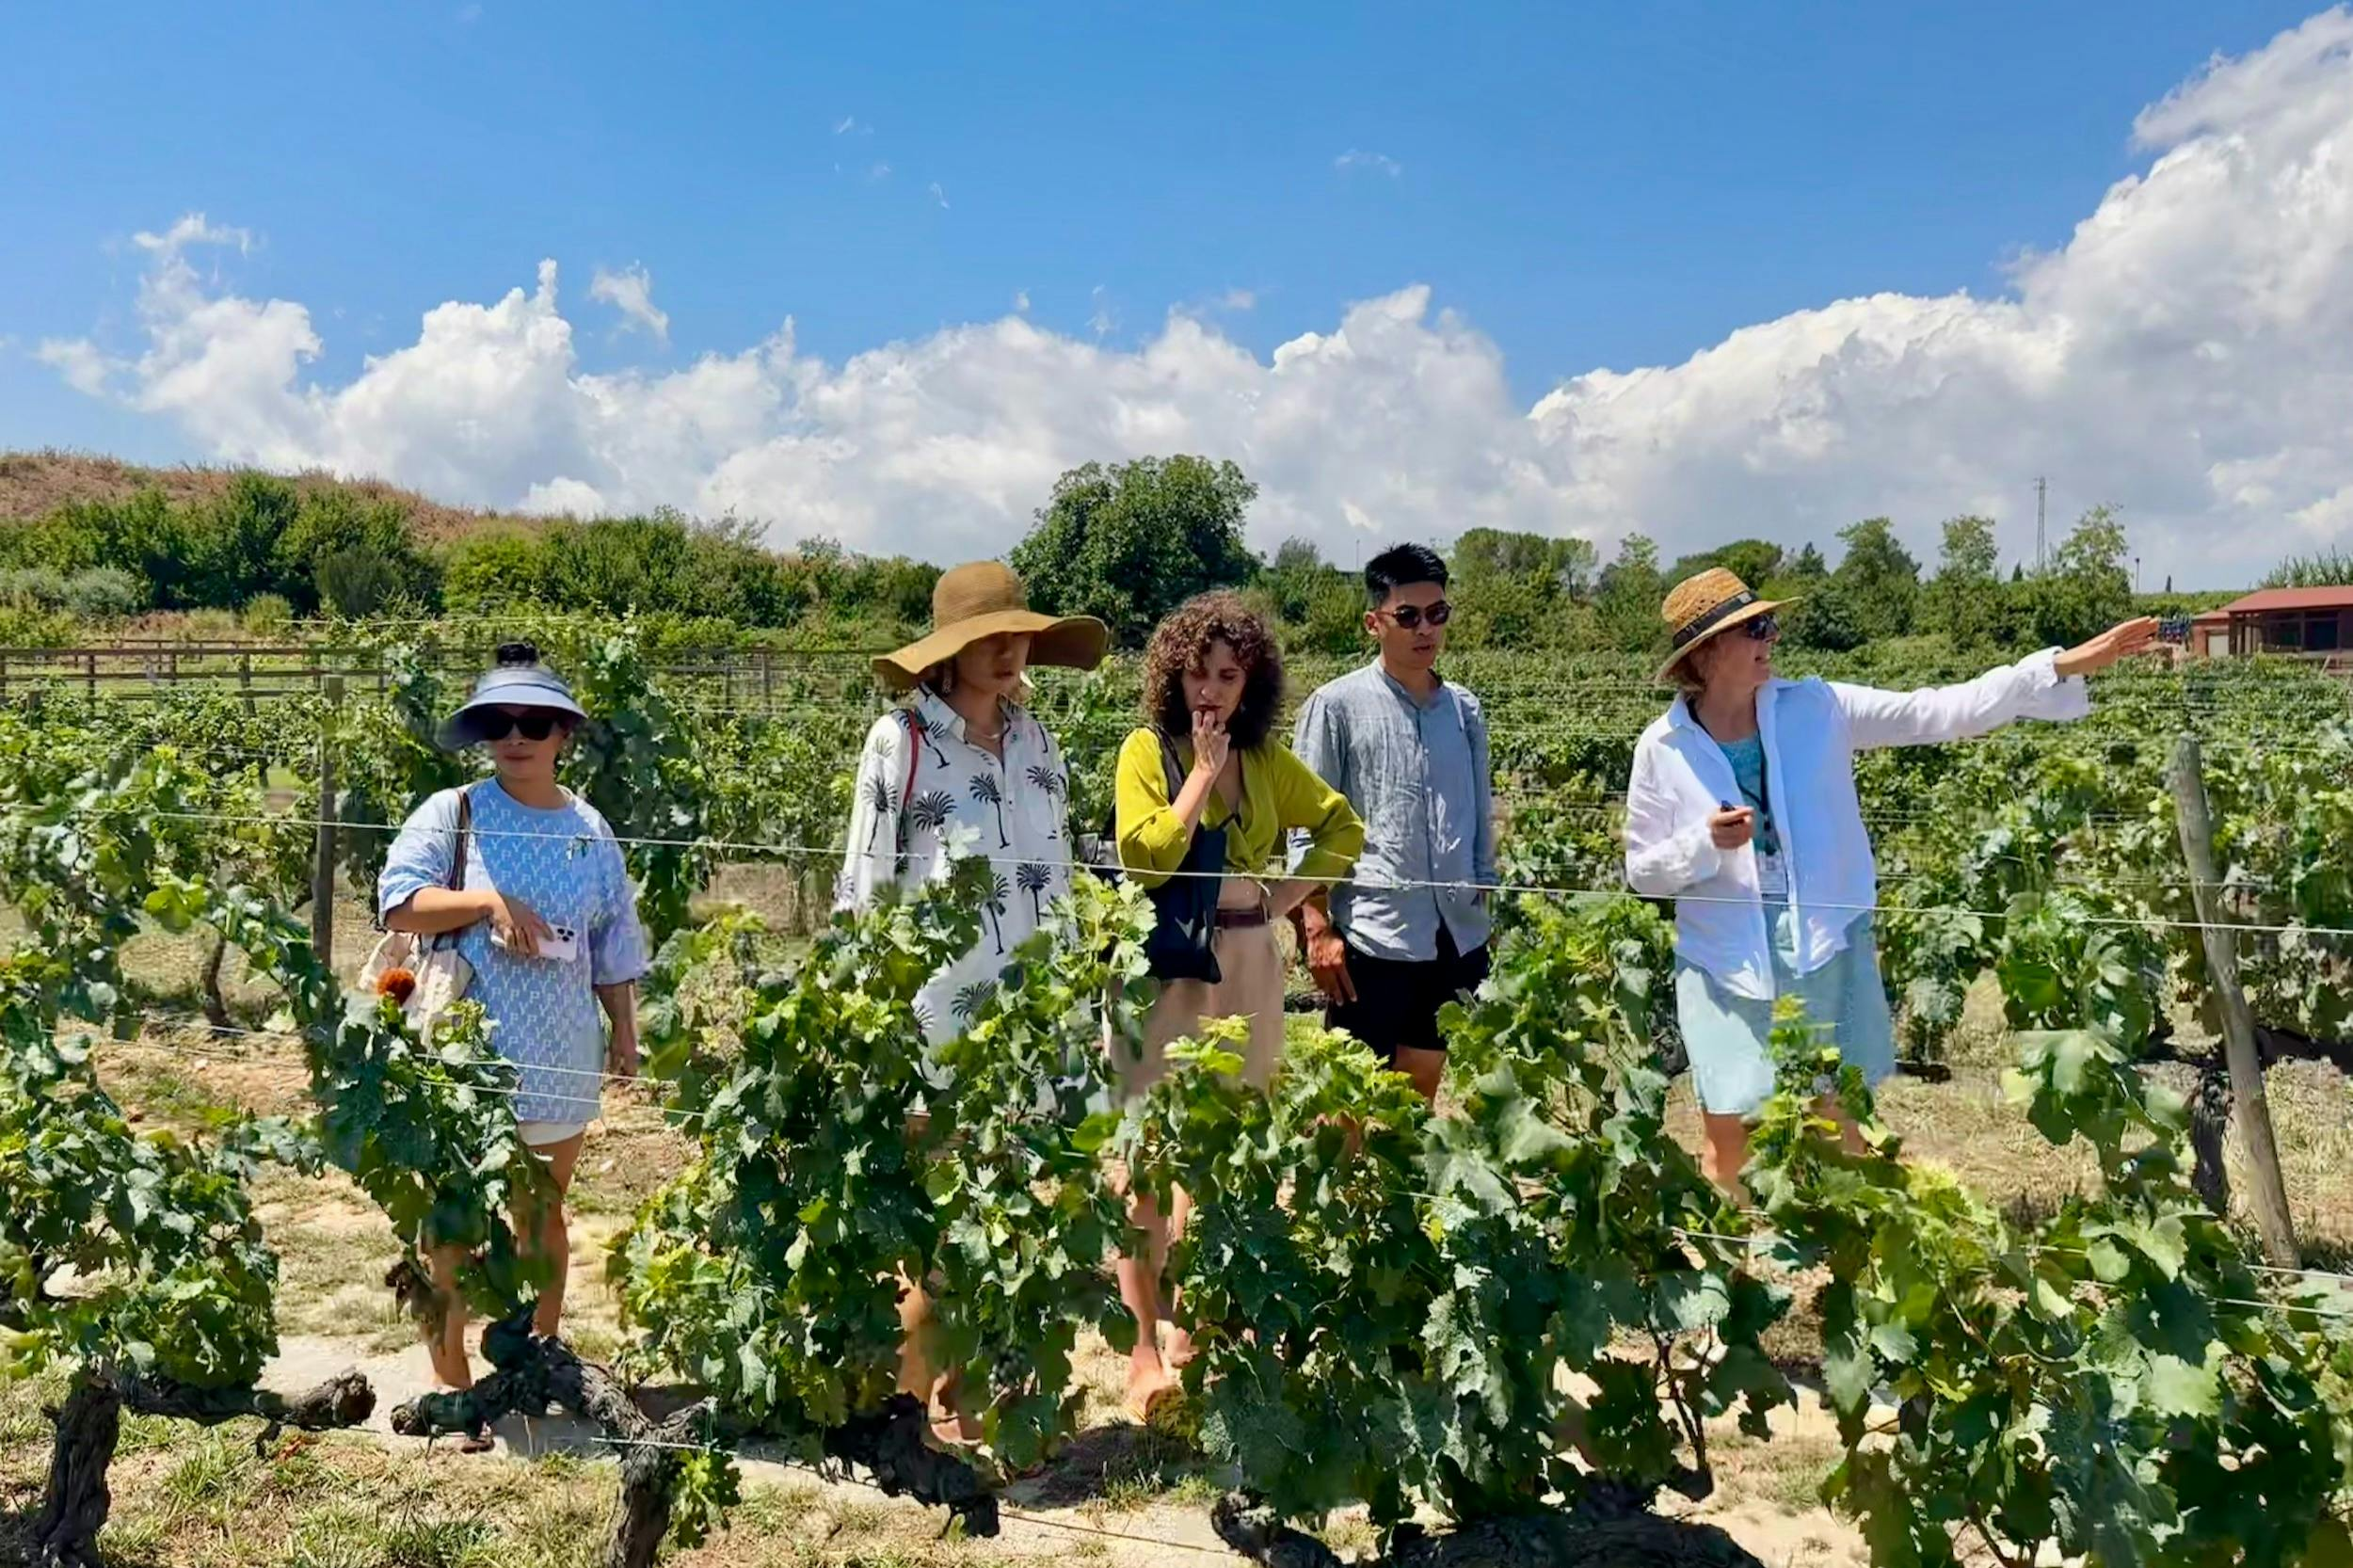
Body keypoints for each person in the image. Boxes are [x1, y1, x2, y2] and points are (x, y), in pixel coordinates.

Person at [1624, 568, 2157, 1192]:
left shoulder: (1818, 708)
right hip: (1723, 962)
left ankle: (1838, 1238)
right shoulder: (1662, 748)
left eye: (1769, 623)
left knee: (1835, 1119)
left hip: (1817, 944)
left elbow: (1936, 711)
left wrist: (2057, 667)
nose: (1772, 637)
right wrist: (1702, 844)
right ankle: (1735, 1250)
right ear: (1708, 652)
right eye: (1756, 628)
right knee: (1730, 1135)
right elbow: (1643, 871)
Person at [838, 559, 1108, 1444]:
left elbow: (1059, 879)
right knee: (941, 1228)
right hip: (937, 1021)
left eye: (1017, 634)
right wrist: (865, 1017)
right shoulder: (902, 741)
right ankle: (906, 1419)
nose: (1008, 651)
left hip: (1033, 1024)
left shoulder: (1039, 741)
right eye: (988, 637)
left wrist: (1076, 1003)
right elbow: (867, 887)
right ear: (948, 650)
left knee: (1012, 1217)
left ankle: (976, 1400)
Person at [378, 642, 649, 1448]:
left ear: (563, 733)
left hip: (560, 1049)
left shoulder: (589, 829)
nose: (517, 737)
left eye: (535, 723)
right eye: (500, 723)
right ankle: (452, 1387)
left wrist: (624, 1029)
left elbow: (613, 940)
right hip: (463, 1059)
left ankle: (530, 1365)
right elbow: (398, 901)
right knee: (453, 1225)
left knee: (542, 1215)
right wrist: (486, 901)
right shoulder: (453, 811)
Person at [1112, 589, 1364, 1417]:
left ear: (1252, 683)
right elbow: (1146, 858)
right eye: (1199, 674)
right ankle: (1142, 1349)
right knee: (1146, 1152)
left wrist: (1282, 896)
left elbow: (1344, 828)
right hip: (1165, 963)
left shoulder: (1267, 762)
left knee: (1223, 1149)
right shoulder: (1147, 752)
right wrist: (1200, 778)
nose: (1212, 691)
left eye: (1229, 676)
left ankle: (1197, 1333)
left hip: (1248, 962)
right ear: (1172, 677)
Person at [1290, 543, 1495, 1101]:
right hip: (1372, 934)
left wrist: (1483, 895)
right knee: (1350, 1095)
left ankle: (1397, 1166)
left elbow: (1480, 812)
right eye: (1408, 616)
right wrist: (1316, 928)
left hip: (1453, 932)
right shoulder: (1335, 706)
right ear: (1373, 623)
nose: (1425, 628)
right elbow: (1305, 825)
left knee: (1422, 1079)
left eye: (1437, 613)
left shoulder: (1465, 710)